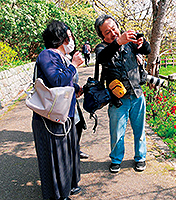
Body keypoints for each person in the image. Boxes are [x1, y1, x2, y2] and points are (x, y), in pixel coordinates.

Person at [32, 20, 84, 200]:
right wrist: (74, 65)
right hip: (49, 119)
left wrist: (76, 88)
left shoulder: (61, 57)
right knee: (53, 159)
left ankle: (65, 191)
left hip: (63, 116)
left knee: (65, 157)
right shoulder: (47, 55)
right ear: (60, 38)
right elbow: (56, 80)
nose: (71, 40)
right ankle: (56, 196)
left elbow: (63, 83)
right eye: (68, 36)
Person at [94, 14, 151, 173]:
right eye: (107, 32)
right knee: (117, 132)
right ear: (102, 36)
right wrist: (118, 42)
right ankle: (116, 159)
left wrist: (142, 42)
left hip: (137, 94)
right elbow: (101, 58)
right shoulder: (102, 48)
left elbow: (147, 50)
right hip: (118, 99)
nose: (113, 33)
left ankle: (140, 157)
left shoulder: (129, 42)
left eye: (114, 28)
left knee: (139, 130)